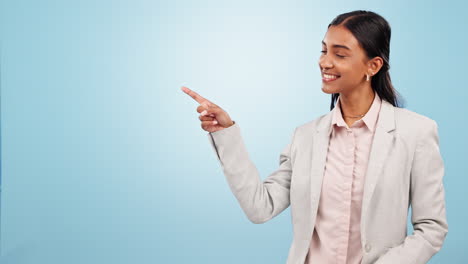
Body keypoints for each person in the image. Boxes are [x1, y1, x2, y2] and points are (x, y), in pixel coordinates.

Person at [181, 10, 448, 264]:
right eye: (324, 50)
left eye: (340, 54)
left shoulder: (416, 132)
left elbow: (431, 229)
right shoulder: (305, 137)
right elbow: (260, 207)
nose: (324, 62)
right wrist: (226, 133)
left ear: (373, 65)